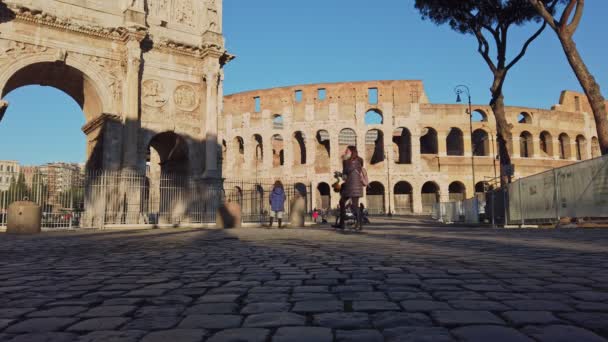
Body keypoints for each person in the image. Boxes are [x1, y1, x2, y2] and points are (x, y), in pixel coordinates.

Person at [333, 145, 364, 230]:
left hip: (350, 186)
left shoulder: (346, 161)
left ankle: (342, 223)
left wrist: (338, 174)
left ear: (351, 152)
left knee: (343, 202)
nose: (345, 152)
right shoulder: (360, 160)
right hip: (358, 186)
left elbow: (344, 177)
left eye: (347, 151)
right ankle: (358, 224)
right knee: (353, 205)